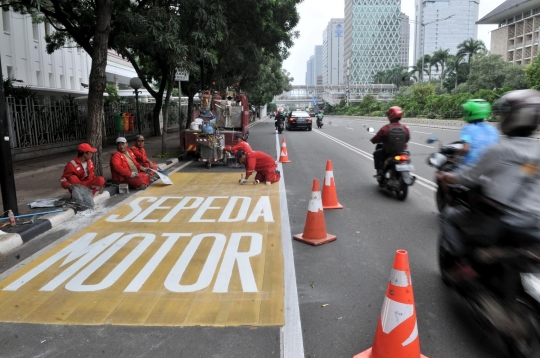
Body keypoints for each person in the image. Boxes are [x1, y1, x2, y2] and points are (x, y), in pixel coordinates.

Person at [437, 89, 540, 279]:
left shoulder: (498, 149)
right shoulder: (497, 135)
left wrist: (447, 177)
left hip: (500, 218)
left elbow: (469, 174)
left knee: (450, 216)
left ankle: (463, 263)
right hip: (534, 221)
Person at [370, 106, 410, 178]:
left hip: (388, 152)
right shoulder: (404, 127)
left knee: (376, 154)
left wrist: (373, 140)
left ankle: (379, 172)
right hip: (402, 152)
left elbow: (377, 138)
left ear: (390, 115)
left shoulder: (386, 128)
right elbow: (407, 139)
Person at [458, 99, 499, 167]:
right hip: (490, 166)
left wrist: (455, 158)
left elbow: (465, 149)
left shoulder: (467, 129)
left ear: (469, 113)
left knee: (443, 175)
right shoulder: (492, 129)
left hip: (470, 167)